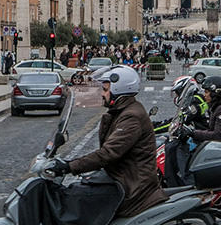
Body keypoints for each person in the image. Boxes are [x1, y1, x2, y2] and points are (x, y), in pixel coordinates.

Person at [53, 66, 167, 218]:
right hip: (123, 178)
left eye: (106, 90)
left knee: (76, 203)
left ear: (119, 90)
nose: (102, 93)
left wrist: (70, 166)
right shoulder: (123, 111)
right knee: (78, 191)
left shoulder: (131, 117)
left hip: (131, 188)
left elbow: (108, 153)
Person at [190, 76, 221, 146]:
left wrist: (193, 133)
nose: (204, 95)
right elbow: (211, 131)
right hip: (220, 145)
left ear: (215, 93)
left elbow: (217, 135)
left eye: (206, 92)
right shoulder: (216, 107)